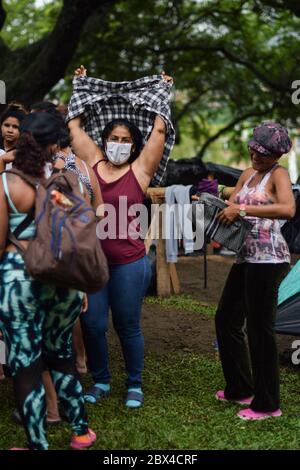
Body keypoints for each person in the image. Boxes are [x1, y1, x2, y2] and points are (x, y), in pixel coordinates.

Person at [68, 65, 173, 408]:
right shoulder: (93, 162)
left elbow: (159, 130)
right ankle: (100, 381)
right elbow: (73, 126)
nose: (119, 144)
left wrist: (163, 92)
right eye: (114, 138)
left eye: (125, 140)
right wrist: (80, 86)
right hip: (94, 264)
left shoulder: (141, 170)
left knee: (127, 325)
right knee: (94, 323)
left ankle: (134, 384)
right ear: (105, 140)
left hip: (130, 263)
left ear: (133, 145)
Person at [0, 112, 96, 450]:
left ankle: (37, 443)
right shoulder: (65, 181)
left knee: (26, 363)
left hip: (19, 280)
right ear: (56, 144)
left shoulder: (9, 183)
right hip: (63, 279)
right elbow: (80, 231)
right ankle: (81, 432)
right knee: (61, 355)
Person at [215, 122, 295, 421]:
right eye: (255, 151)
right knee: (226, 319)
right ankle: (240, 388)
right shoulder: (248, 174)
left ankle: (267, 404)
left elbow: (287, 209)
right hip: (246, 256)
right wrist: (216, 206)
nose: (257, 157)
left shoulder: (279, 175)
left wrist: (244, 210)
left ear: (276, 156)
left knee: (260, 331)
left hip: (270, 259)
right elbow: (234, 204)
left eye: (265, 155)